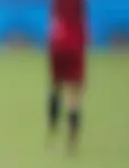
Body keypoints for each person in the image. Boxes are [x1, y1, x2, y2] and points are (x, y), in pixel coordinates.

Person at [48, 0, 87, 150]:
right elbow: (82, 18)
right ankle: (72, 138)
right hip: (75, 43)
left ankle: (53, 130)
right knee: (74, 94)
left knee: (56, 85)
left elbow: (54, 20)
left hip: (59, 42)